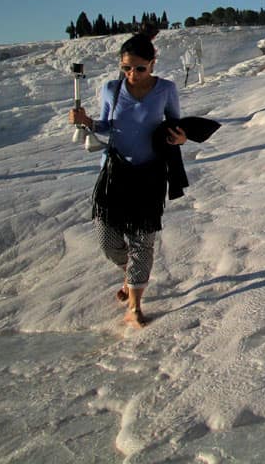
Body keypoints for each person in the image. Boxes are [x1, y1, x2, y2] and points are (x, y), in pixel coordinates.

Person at [68, 34, 186, 328]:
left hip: (150, 173)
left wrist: (182, 136)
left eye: (139, 68)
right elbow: (107, 126)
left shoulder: (166, 89)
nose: (132, 74)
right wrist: (87, 122)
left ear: (152, 63)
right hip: (114, 172)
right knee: (107, 239)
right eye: (126, 68)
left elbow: (175, 123)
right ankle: (129, 270)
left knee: (142, 242)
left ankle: (134, 306)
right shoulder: (112, 89)